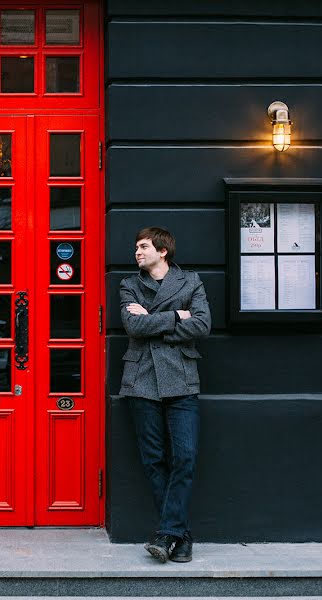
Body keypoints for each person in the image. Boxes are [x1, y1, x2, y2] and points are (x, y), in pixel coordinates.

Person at [119, 227, 211, 563]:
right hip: (141, 379)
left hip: (182, 379)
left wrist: (154, 322)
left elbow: (202, 326)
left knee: (184, 458)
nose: (137, 253)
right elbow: (134, 327)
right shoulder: (130, 285)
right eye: (136, 247)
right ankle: (180, 536)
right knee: (154, 459)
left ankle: (168, 534)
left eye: (143, 247)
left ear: (163, 251)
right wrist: (175, 316)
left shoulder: (190, 282)